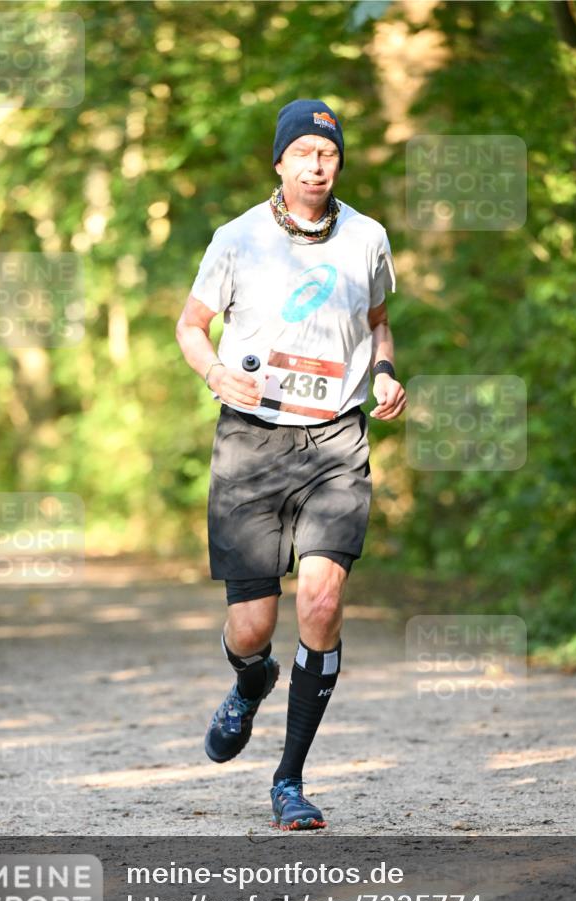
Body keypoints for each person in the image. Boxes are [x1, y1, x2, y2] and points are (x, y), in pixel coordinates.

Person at [176, 98, 406, 831]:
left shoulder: (366, 236)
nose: (316, 165)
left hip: (334, 440)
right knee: (251, 627)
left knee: (320, 603)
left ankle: (289, 778)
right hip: (250, 443)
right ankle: (250, 681)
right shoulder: (237, 239)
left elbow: (376, 323)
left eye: (328, 154)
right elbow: (190, 326)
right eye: (303, 152)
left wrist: (386, 372)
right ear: (279, 162)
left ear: (339, 164)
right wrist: (215, 375)